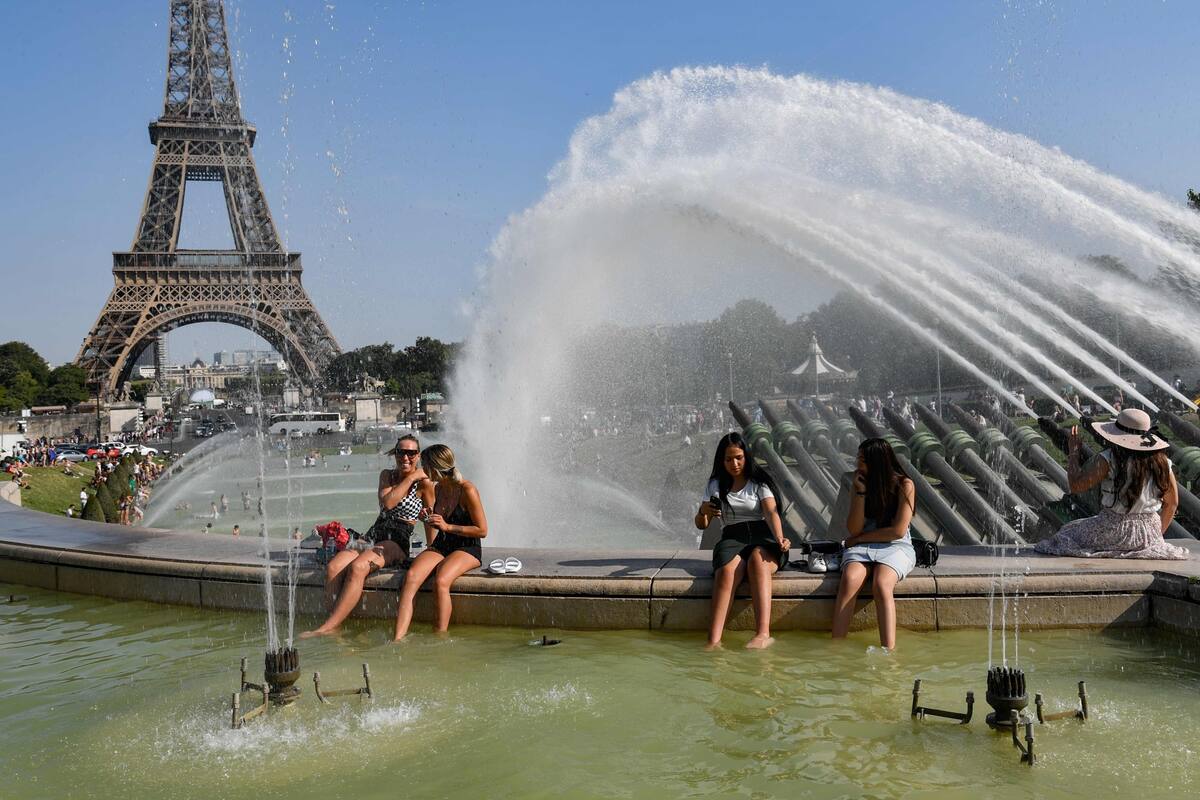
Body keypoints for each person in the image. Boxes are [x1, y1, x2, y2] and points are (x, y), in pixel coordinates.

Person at [302, 435, 434, 638]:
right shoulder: (387, 475)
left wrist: (432, 549)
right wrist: (410, 478)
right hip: (375, 532)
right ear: (395, 454)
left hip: (397, 540)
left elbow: (429, 518)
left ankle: (326, 628)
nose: (405, 457)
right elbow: (387, 502)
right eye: (401, 452)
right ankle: (335, 623)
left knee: (358, 567)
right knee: (334, 567)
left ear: (418, 455)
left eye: (411, 453)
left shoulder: (425, 484)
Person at [1035, 409, 1187, 560]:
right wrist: (1156, 536)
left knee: (1065, 535)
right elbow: (1172, 503)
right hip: (1149, 533)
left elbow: (1076, 486)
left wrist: (1074, 453)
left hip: (1114, 529)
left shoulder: (1109, 459)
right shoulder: (1163, 463)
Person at [694, 432, 789, 650]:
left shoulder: (759, 481)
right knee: (726, 571)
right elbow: (701, 524)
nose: (734, 464)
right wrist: (703, 511)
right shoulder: (715, 484)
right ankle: (713, 640)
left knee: (757, 560)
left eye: (739, 457)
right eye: (729, 459)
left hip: (763, 537)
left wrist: (779, 537)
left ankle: (763, 634)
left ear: (746, 456)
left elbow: (771, 512)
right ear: (722, 461)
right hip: (732, 539)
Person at [394, 444, 488, 640]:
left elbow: (482, 530)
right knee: (411, 576)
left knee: (441, 580)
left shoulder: (467, 489)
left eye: (425, 466)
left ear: (435, 467)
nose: (423, 470)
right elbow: (440, 521)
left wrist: (447, 526)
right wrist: (428, 517)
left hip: (466, 547)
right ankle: (398, 637)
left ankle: (440, 636)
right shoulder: (438, 488)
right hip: (442, 544)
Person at [831, 437, 917, 650]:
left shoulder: (905, 485)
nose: (857, 463)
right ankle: (836, 647)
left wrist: (859, 539)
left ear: (877, 462)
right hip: (862, 545)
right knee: (850, 579)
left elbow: (897, 531)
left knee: (882, 584)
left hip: (896, 545)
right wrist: (860, 492)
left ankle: (888, 650)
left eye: (862, 459)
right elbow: (854, 528)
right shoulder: (859, 482)